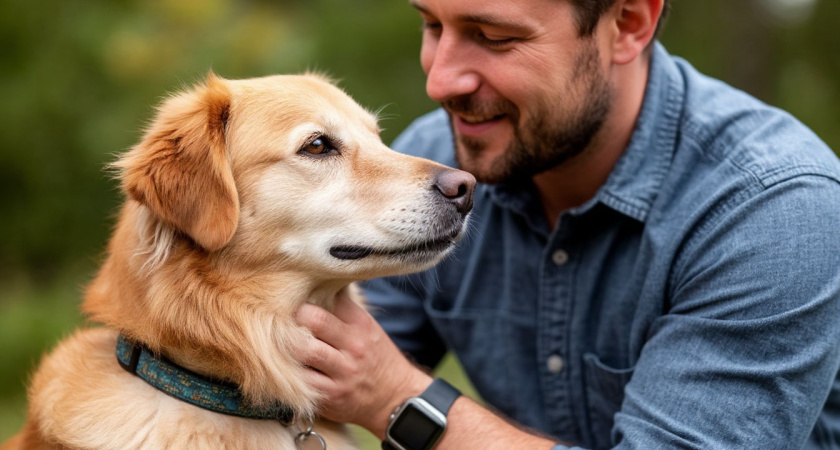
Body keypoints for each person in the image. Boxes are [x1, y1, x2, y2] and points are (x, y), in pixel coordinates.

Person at [294, 0, 840, 448]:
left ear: (628, 25)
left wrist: (395, 397)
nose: (441, 81)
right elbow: (304, 362)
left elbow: (368, 377)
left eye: (493, 37)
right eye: (433, 25)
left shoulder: (775, 210)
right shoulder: (437, 167)